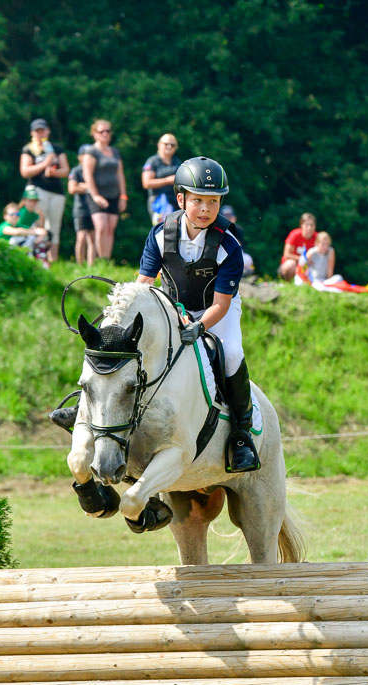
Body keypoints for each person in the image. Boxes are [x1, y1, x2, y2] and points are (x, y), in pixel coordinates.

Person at [137, 156, 260, 473]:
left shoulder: (229, 245)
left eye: (213, 202)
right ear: (181, 199)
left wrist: (198, 327)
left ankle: (241, 435)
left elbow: (219, 305)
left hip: (217, 310)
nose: (206, 209)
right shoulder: (160, 235)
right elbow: (143, 286)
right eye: (198, 201)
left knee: (231, 352)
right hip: (173, 306)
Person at [19, 118, 69, 263]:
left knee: (54, 227)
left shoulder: (56, 148)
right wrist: (44, 164)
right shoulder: (28, 149)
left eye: (43, 130)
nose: (41, 134)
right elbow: (25, 171)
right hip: (37, 190)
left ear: (48, 131)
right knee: (38, 224)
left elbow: (65, 170)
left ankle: (52, 260)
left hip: (56, 191)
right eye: (37, 131)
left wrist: (54, 172)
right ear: (32, 133)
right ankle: (37, 258)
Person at [81, 119, 127, 261]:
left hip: (114, 194)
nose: (105, 134)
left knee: (110, 228)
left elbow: (120, 174)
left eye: (108, 131)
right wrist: (95, 195)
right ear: (94, 134)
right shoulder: (91, 151)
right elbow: (87, 174)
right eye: (102, 131)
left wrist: (123, 196)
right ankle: (101, 260)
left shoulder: (114, 152)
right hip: (97, 195)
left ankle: (106, 260)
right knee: (101, 227)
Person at [141, 133, 181, 224]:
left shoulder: (177, 162)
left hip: (175, 201)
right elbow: (146, 183)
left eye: (172, 145)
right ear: (159, 145)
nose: (169, 147)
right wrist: (167, 180)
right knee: (162, 230)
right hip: (158, 202)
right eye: (166, 144)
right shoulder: (152, 161)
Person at [68, 146, 95, 267]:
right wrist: (90, 187)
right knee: (81, 237)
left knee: (93, 238)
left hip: (94, 208)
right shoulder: (76, 171)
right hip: (81, 208)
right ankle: (79, 265)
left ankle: (91, 266)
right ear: (79, 157)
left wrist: (84, 186)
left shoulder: (96, 171)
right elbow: (72, 188)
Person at [279, 212, 317, 282]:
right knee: (290, 265)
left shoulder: (317, 238)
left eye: (312, 225)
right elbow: (286, 254)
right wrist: (302, 259)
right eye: (306, 225)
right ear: (301, 225)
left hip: (309, 265)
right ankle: (288, 284)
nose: (309, 228)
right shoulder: (295, 235)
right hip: (294, 264)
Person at [221, 204, 254, 276]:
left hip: (234, 253)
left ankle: (242, 271)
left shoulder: (238, 230)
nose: (228, 219)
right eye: (225, 216)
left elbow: (240, 247)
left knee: (248, 258)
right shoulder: (217, 229)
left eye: (229, 216)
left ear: (234, 218)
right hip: (221, 254)